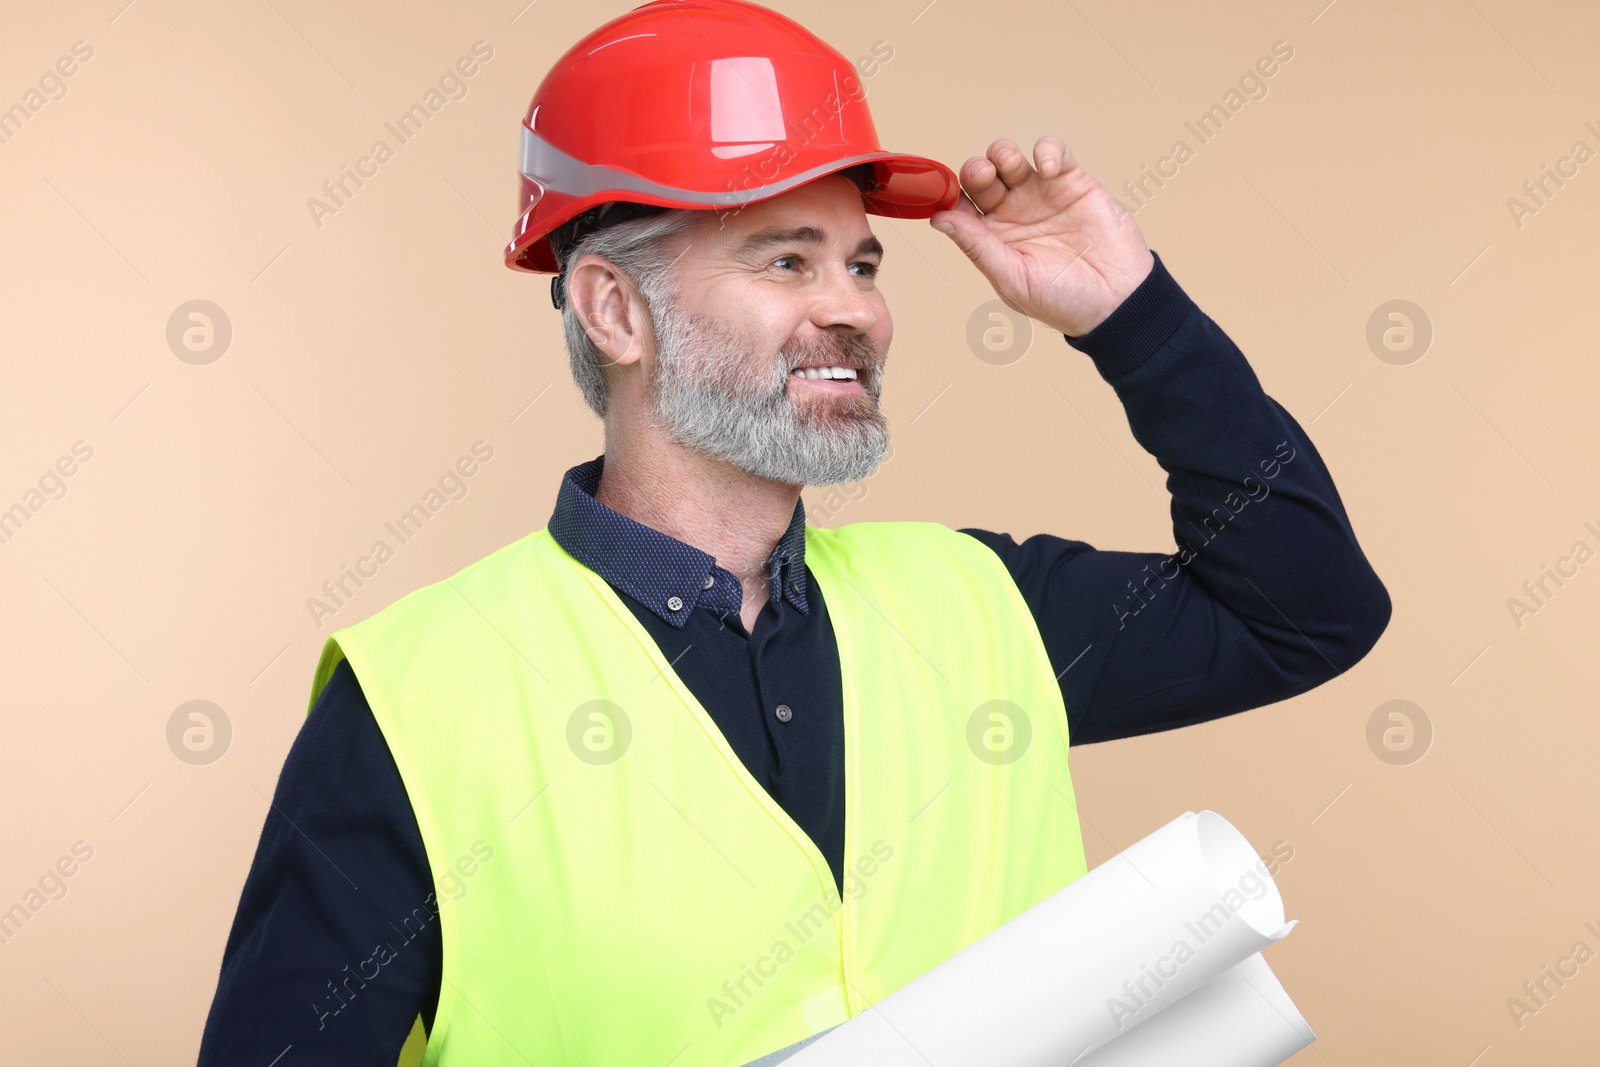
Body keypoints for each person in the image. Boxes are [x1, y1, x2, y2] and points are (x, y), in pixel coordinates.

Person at [197, 1, 1391, 1064]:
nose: (853, 309)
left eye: (862, 261)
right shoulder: (416, 700)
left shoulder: (979, 605)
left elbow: (1305, 607)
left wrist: (1132, 313)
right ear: (616, 308)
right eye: (786, 257)